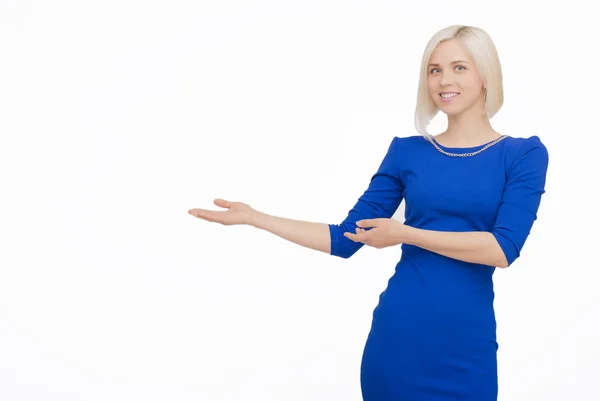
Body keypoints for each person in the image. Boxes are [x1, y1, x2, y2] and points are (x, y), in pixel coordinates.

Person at [188, 24, 549, 401]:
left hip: (466, 343)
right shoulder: (407, 152)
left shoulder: (522, 154)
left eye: (459, 67)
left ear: (485, 75)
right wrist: (255, 217)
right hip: (399, 339)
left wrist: (407, 233)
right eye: (434, 69)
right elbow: (344, 240)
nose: (445, 80)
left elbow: (503, 249)